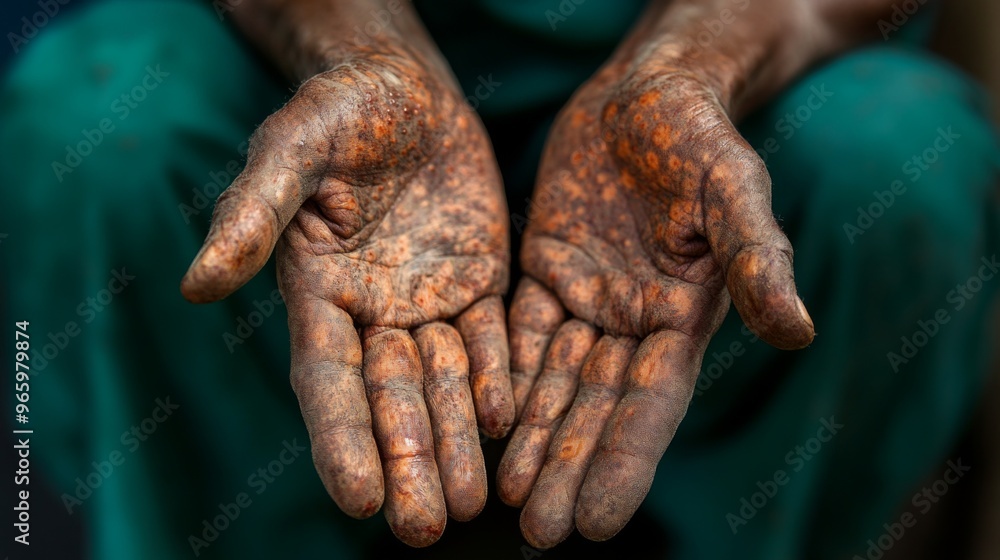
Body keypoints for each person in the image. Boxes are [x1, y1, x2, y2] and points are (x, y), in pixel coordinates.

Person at [2, 0, 997, 558]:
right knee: (82, 133)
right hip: (302, 45)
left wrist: (690, 63)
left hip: (746, 55)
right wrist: (364, 53)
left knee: (909, 167)